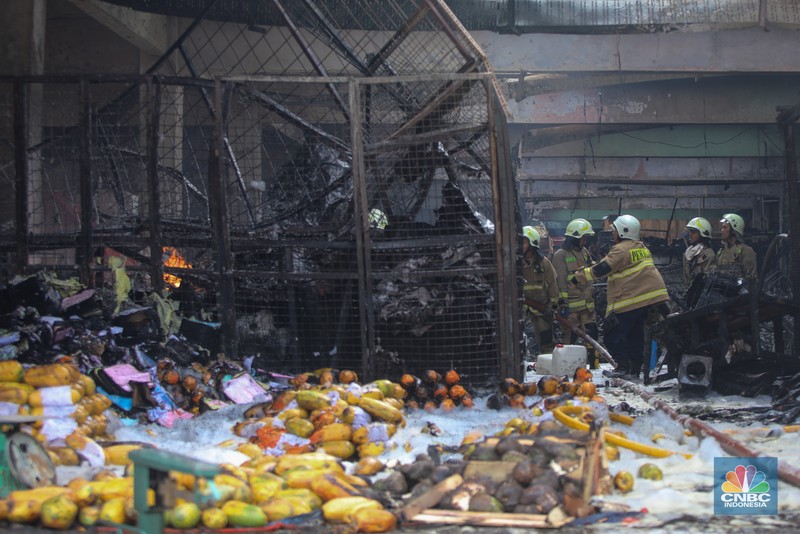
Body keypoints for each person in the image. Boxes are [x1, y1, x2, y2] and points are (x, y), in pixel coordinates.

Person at [570, 214, 670, 380]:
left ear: (624, 231)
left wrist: (579, 276)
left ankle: (623, 368)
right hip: (649, 299)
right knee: (635, 336)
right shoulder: (641, 248)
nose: (612, 233)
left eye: (614, 230)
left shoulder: (621, 249)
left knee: (613, 335)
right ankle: (635, 369)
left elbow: (602, 269)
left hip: (630, 300)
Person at [552, 218, 599, 367]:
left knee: (592, 336)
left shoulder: (584, 252)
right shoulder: (561, 255)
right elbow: (559, 282)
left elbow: (591, 269)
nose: (586, 241)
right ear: (575, 237)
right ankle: (567, 366)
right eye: (584, 238)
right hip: (570, 309)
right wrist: (563, 304)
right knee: (570, 338)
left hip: (587, 306)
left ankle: (594, 365)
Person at [521, 226, 559, 356]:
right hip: (520, 309)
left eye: (524, 242)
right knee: (516, 339)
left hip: (541, 308)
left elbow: (553, 284)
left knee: (546, 339)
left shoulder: (544, 263)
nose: (520, 245)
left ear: (532, 244)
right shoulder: (515, 263)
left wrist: (553, 307)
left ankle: (547, 364)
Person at [717, 213, 757, 282]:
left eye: (725, 227)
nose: (722, 230)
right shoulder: (722, 251)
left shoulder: (746, 251)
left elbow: (751, 279)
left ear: (733, 230)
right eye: (722, 227)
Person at [683, 216, 717, 285]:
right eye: (690, 231)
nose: (690, 234)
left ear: (703, 235)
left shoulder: (708, 254)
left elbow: (709, 281)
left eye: (694, 232)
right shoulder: (688, 253)